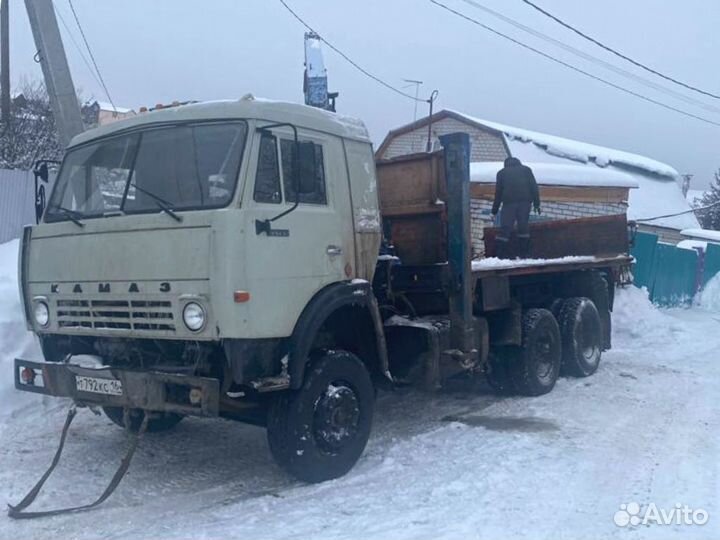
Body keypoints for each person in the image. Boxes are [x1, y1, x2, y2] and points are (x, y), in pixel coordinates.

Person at [491, 157, 541, 259]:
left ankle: (500, 255)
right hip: (525, 203)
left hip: (509, 204)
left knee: (505, 228)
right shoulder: (526, 170)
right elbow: (534, 187)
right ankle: (524, 254)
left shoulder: (501, 173)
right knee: (523, 226)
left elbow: (498, 193)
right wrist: (537, 203)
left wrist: (494, 210)